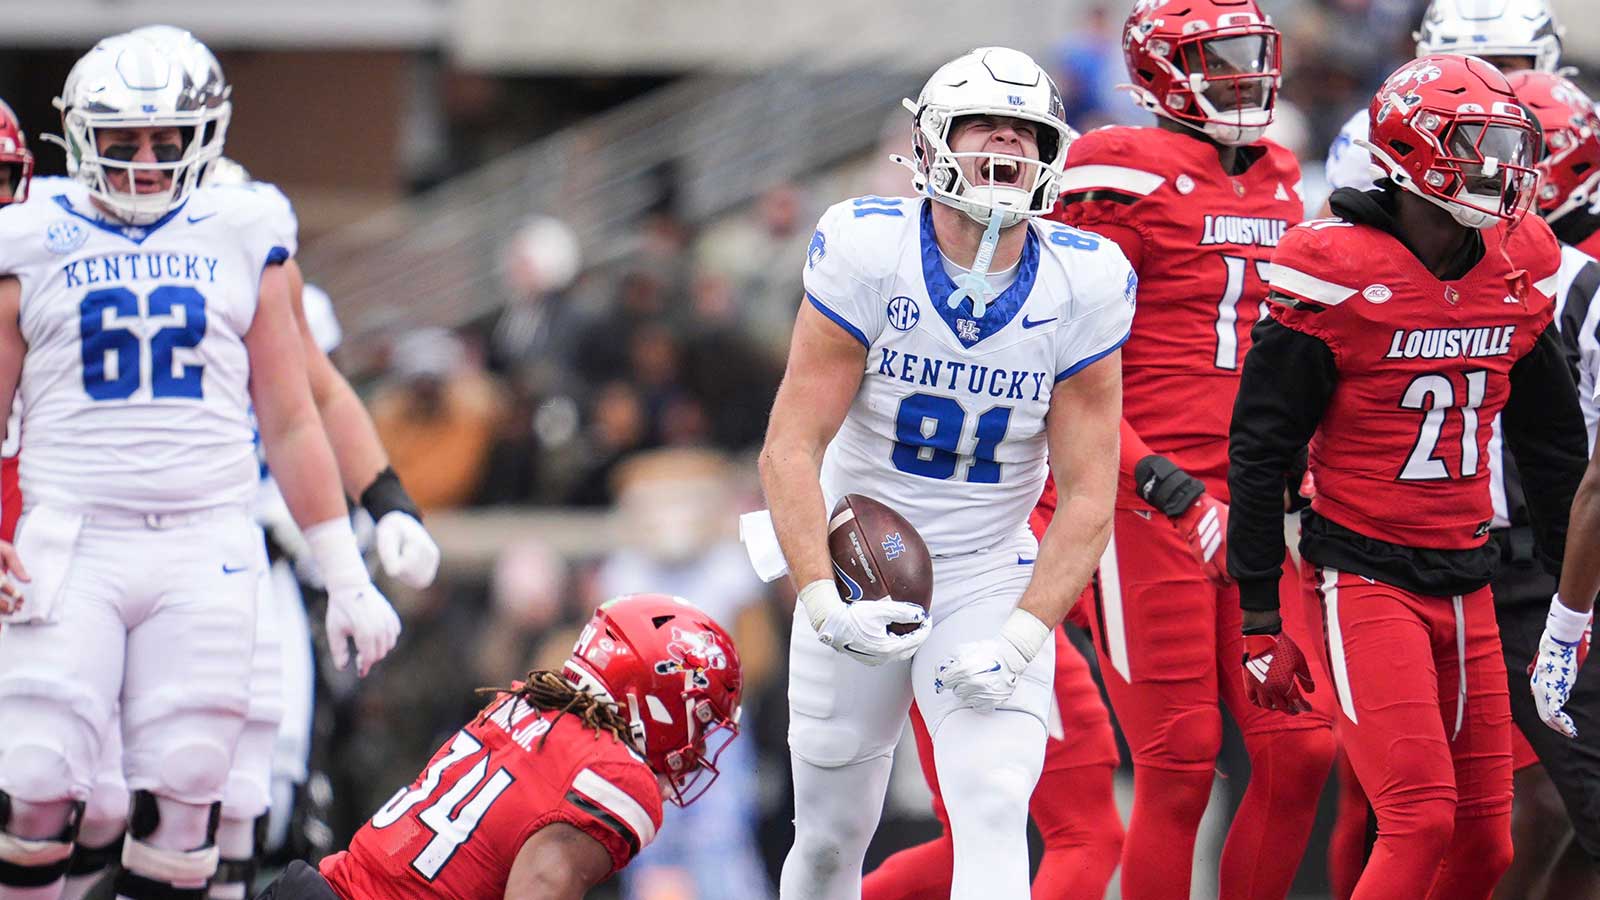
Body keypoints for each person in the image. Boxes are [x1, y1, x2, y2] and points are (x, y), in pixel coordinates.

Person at [0, 31, 403, 900]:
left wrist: (344, 570)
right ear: (79, 137)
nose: (145, 161)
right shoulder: (29, 237)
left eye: (166, 140)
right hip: (72, 537)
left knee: (190, 797)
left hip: (206, 538)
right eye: (122, 141)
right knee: (34, 785)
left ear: (204, 136)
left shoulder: (246, 229)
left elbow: (293, 417)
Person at [757, 45, 1131, 900]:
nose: (1004, 145)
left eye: (1024, 130)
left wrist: (1021, 636)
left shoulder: (1086, 279)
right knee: (825, 842)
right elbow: (789, 447)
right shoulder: (867, 249)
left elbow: (1086, 496)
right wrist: (818, 597)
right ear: (930, 145)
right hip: (854, 556)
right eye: (981, 127)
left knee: (995, 808)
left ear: (1053, 151)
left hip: (987, 572)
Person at [1228, 54, 1589, 900]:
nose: (1502, 168)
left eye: (1510, 145)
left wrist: (1578, 591)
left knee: (1486, 848)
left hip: (1473, 576)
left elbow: (1552, 448)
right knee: (1420, 819)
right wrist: (1256, 610)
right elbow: (1260, 448)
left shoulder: (1517, 261)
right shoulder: (1335, 268)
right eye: (1479, 145)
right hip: (1364, 576)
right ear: (1410, 153)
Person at [1044, 2, 1336, 896]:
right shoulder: (1114, 169)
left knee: (1302, 750)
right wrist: (1167, 489)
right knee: (1179, 759)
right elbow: (1066, 370)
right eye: (1220, 58)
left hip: (1249, 501)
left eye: (1252, 54)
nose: (1245, 74)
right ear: (1159, 71)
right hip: (1144, 502)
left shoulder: (1283, 171)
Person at [253, 593, 743, 900]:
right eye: (700, 720)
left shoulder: (526, 706)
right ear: (655, 699)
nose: (696, 745)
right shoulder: (613, 777)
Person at [1323, 0, 1564, 197]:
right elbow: (1337, 233)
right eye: (1464, 63)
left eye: (1502, 65)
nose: (1484, 79)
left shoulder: (1578, 132)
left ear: (1543, 63)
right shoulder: (1376, 128)